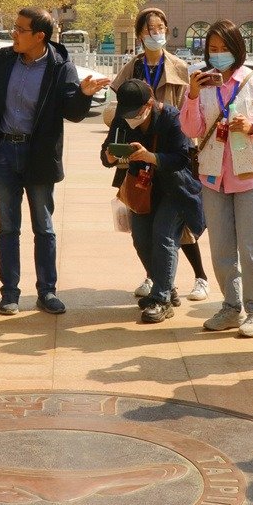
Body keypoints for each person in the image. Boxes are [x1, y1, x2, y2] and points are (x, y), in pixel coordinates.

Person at [0, 7, 112, 315]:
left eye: (20, 30)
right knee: (8, 227)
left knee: (44, 227)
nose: (14, 34)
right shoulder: (6, 61)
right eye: (15, 27)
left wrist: (84, 94)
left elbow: (73, 113)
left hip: (39, 156)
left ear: (40, 36)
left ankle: (47, 292)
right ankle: (9, 293)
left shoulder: (61, 67)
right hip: (6, 152)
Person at [180, 19, 253, 337]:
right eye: (213, 49)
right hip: (214, 177)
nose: (219, 54)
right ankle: (230, 306)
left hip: (250, 175)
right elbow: (192, 130)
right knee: (222, 248)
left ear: (237, 49)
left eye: (224, 48)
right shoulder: (202, 84)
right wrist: (193, 95)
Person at [112, 7, 209, 303]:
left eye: (160, 28)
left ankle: (200, 277)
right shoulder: (134, 67)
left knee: (177, 228)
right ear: (140, 34)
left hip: (171, 148)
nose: (156, 33)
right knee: (144, 225)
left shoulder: (179, 67)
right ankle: (159, 280)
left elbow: (190, 112)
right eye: (150, 29)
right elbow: (118, 107)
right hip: (140, 155)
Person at [101, 80, 205, 323]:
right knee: (140, 238)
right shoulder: (122, 117)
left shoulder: (171, 118)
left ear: (149, 104)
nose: (131, 118)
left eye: (135, 113)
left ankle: (161, 299)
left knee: (164, 236)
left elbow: (181, 158)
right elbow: (106, 152)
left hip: (175, 188)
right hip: (141, 187)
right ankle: (165, 286)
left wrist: (152, 157)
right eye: (126, 113)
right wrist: (109, 156)